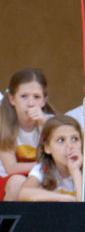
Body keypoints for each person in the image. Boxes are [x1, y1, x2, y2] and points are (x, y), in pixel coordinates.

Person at [18, 114, 85, 202]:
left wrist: (75, 171)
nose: (69, 146)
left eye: (75, 139)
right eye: (61, 140)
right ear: (47, 147)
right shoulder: (42, 168)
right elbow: (24, 193)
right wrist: (65, 198)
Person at [1, 68, 54, 201]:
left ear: (44, 101)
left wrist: (45, 125)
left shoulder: (52, 123)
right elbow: (11, 168)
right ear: (12, 99)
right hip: (8, 180)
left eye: (36, 97)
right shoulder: (3, 124)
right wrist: (45, 165)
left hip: (41, 176)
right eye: (24, 96)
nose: (30, 103)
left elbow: (61, 157)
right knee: (18, 183)